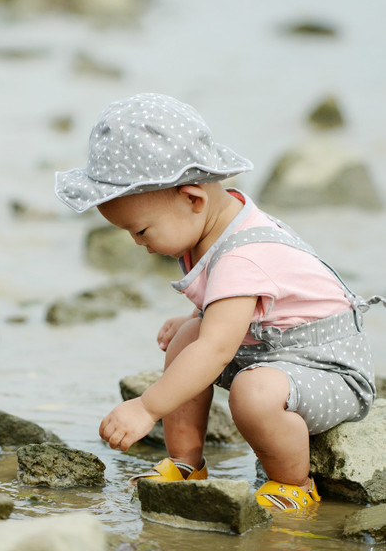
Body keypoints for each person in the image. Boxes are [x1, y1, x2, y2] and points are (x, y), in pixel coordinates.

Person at [55, 93, 381, 511]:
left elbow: (219, 344)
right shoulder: (217, 223)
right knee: (187, 341)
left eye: (140, 231)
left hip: (327, 367)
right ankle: (186, 463)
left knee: (250, 390)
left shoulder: (244, 254)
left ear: (193, 199)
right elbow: (236, 302)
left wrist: (146, 406)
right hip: (271, 348)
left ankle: (294, 485)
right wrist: (198, 315)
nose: (138, 244)